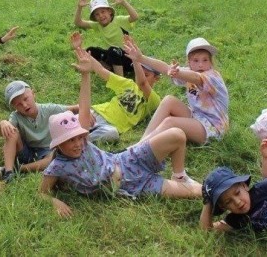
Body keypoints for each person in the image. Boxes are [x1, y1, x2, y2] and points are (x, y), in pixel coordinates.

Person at [39, 47, 201, 217]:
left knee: (177, 134)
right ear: (59, 143)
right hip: (133, 185)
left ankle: (179, 176)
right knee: (197, 192)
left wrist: (85, 75)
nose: (78, 143)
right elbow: (42, 192)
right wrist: (55, 202)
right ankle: (201, 189)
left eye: (79, 137)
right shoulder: (57, 167)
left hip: (128, 159)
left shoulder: (84, 142)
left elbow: (85, 108)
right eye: (71, 141)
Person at [126, 37, 228, 146]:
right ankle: (141, 143)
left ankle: (136, 151)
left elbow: (196, 77)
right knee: (168, 100)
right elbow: (166, 68)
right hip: (197, 117)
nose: (201, 65)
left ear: (211, 62)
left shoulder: (212, 77)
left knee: (170, 122)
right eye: (196, 60)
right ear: (189, 63)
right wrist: (140, 58)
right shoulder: (189, 71)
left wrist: (177, 73)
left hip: (214, 128)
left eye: (205, 60)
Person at [70, 32, 161, 143]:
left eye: (146, 74)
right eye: (140, 73)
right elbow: (101, 70)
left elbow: (142, 83)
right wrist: (80, 49)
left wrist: (136, 59)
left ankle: (78, 142)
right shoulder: (128, 84)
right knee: (68, 126)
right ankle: (69, 137)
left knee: (112, 134)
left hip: (111, 127)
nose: (141, 76)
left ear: (156, 78)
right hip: (98, 113)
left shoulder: (154, 99)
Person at [0, 80, 78, 183]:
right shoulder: (16, 116)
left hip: (47, 152)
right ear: (14, 107)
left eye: (26, 99)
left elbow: (73, 109)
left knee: (55, 157)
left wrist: (89, 111)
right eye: (19, 104)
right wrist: (3, 123)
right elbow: (2, 133)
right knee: (11, 131)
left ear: (33, 94)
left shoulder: (48, 109)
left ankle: (19, 168)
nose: (25, 105)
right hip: (26, 151)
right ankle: (8, 172)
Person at [74, 0, 139, 76]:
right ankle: (108, 69)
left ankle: (120, 79)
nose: (101, 15)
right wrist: (79, 7)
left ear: (110, 12)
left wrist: (123, 2)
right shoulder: (98, 25)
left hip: (129, 58)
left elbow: (135, 17)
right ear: (95, 18)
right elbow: (78, 23)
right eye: (97, 14)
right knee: (90, 51)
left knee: (113, 50)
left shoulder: (119, 20)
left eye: (103, 11)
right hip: (113, 57)